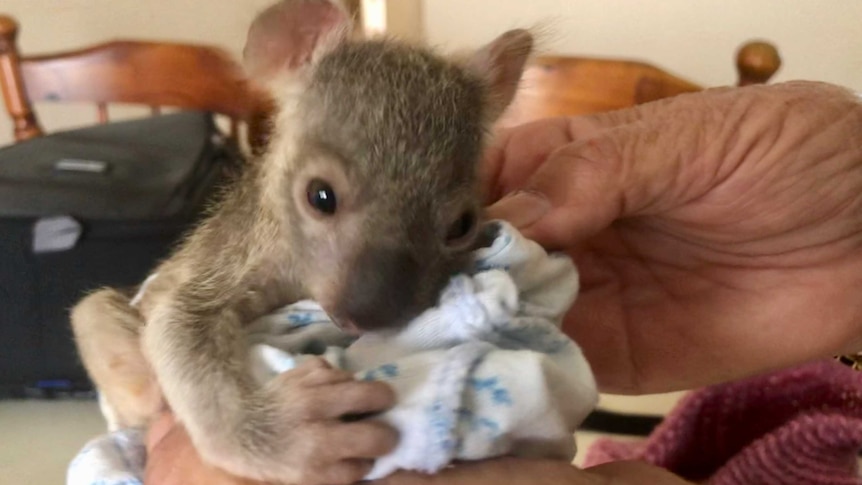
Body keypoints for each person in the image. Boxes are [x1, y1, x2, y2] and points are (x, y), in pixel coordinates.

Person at [144, 80, 862, 484]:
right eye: (326, 199)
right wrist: (246, 431)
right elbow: (169, 315)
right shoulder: (265, 224)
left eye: (457, 224)